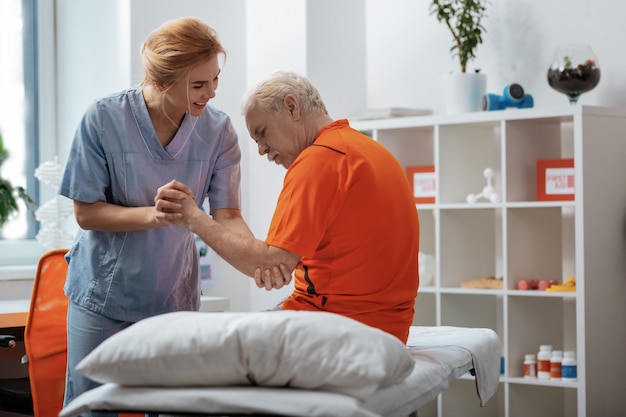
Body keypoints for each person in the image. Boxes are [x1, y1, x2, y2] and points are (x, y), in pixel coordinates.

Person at [58, 17, 256, 414]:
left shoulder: (219, 131)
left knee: (175, 408)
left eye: (215, 79)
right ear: (163, 81)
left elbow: (228, 215)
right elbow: (86, 212)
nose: (212, 93)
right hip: (103, 295)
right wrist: (156, 214)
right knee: (92, 408)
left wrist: (258, 256)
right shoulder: (103, 119)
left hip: (173, 295)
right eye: (199, 85)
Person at [156, 70, 420, 343]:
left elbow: (269, 262)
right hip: (389, 328)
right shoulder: (371, 150)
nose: (261, 150)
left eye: (262, 133)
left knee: (200, 344)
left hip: (339, 328)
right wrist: (270, 264)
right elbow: (278, 264)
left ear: (291, 107)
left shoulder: (320, 160)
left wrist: (193, 218)